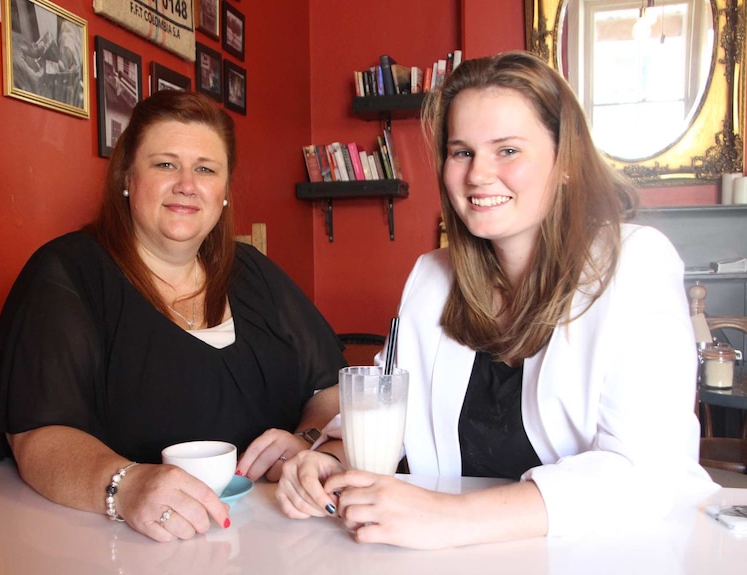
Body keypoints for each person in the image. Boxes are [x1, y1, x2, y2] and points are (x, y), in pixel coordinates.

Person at [275, 51, 716, 549]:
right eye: (462, 152)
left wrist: (449, 517)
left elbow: (643, 473)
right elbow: (388, 412)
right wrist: (326, 459)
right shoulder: (431, 276)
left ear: (565, 162)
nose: (478, 175)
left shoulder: (636, 263)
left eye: (507, 150)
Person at [0, 90, 346, 542]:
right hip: (123, 545)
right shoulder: (67, 274)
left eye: (205, 169)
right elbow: (37, 437)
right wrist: (125, 485)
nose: (187, 184)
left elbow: (331, 388)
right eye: (165, 164)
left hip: (275, 537)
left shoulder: (255, 272)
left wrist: (306, 439)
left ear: (224, 192)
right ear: (127, 177)